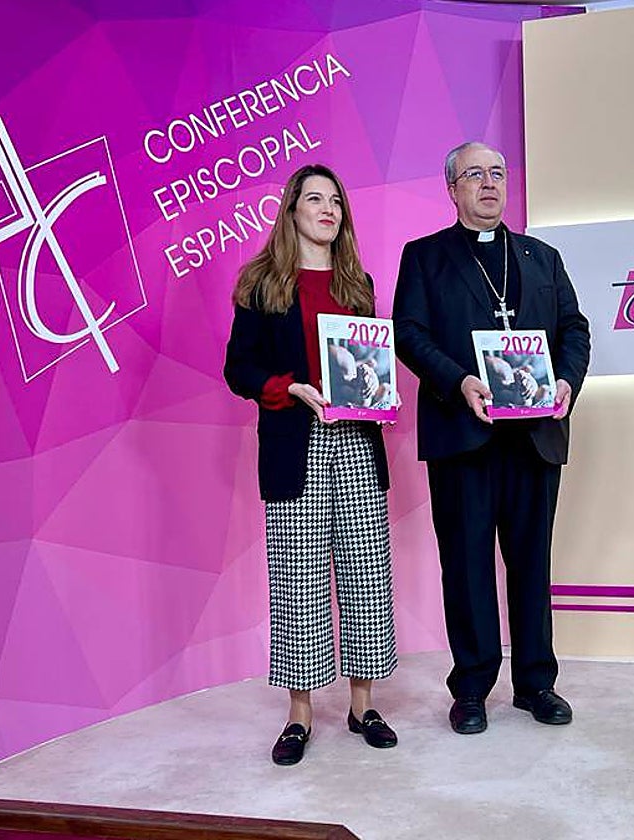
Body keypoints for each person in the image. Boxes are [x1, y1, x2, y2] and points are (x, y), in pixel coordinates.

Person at [392, 141, 591, 734]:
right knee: (468, 564)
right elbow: (409, 332)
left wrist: (565, 383)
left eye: (497, 173)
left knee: (532, 562)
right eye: (474, 174)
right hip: (464, 434)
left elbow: (574, 329)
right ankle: (473, 687)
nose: (489, 183)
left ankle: (536, 684)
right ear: (451, 189)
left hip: (534, 437)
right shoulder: (425, 257)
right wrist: (459, 381)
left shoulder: (541, 257)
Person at [224, 164, 398, 765]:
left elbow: (369, 363)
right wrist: (287, 387)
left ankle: (362, 705)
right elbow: (236, 369)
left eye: (336, 201)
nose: (328, 209)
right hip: (296, 442)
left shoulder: (358, 282)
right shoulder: (261, 282)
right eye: (315, 198)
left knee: (366, 576)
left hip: (355, 439)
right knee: (298, 584)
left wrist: (380, 393)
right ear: (292, 209)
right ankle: (300, 714)